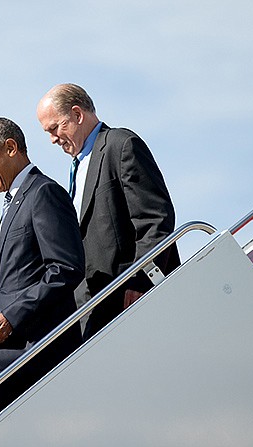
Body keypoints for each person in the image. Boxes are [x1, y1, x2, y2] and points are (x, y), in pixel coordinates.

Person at [0, 117, 84, 445]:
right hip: (7, 346)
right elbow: (19, 279)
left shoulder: (43, 193)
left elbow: (65, 268)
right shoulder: (14, 201)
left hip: (33, 344)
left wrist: (11, 317)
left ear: (10, 148)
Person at [36, 83, 180, 341]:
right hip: (92, 312)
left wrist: (140, 284)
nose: (53, 139)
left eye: (55, 128)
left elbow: (155, 220)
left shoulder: (120, 145)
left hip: (129, 302)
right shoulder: (77, 168)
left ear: (77, 115)